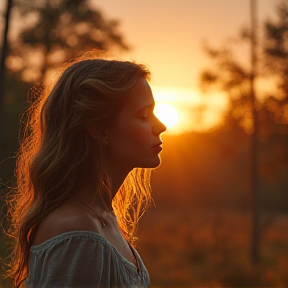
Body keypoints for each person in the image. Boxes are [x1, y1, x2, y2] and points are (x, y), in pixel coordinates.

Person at [6, 55, 166, 288]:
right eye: (143, 116)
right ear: (99, 129)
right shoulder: (77, 232)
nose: (161, 126)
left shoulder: (104, 216)